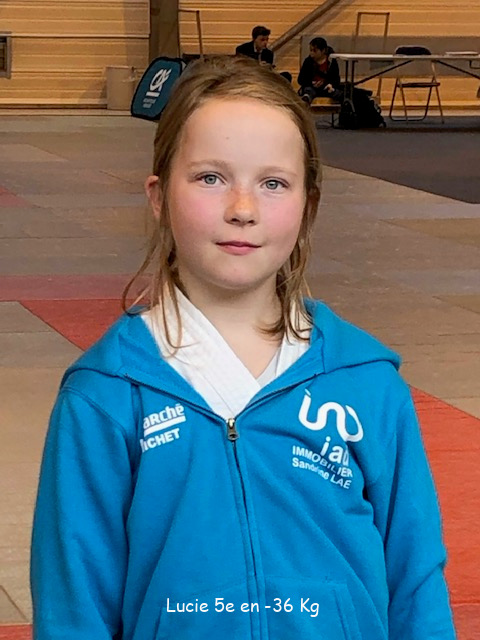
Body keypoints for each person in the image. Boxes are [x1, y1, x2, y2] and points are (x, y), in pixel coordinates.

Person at [30, 55, 456, 640]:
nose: (243, 209)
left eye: (273, 183)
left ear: (308, 206)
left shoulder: (366, 382)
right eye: (211, 178)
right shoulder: (105, 395)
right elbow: (72, 603)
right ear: (159, 196)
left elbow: (416, 582)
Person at [298, 36, 342, 104]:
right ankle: (306, 99)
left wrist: (330, 84)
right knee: (308, 90)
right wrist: (312, 83)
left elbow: (336, 79)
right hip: (312, 88)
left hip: (326, 88)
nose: (311, 53)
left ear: (323, 50)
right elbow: (301, 79)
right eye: (311, 50)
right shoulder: (308, 61)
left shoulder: (331, 62)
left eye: (315, 51)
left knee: (337, 92)